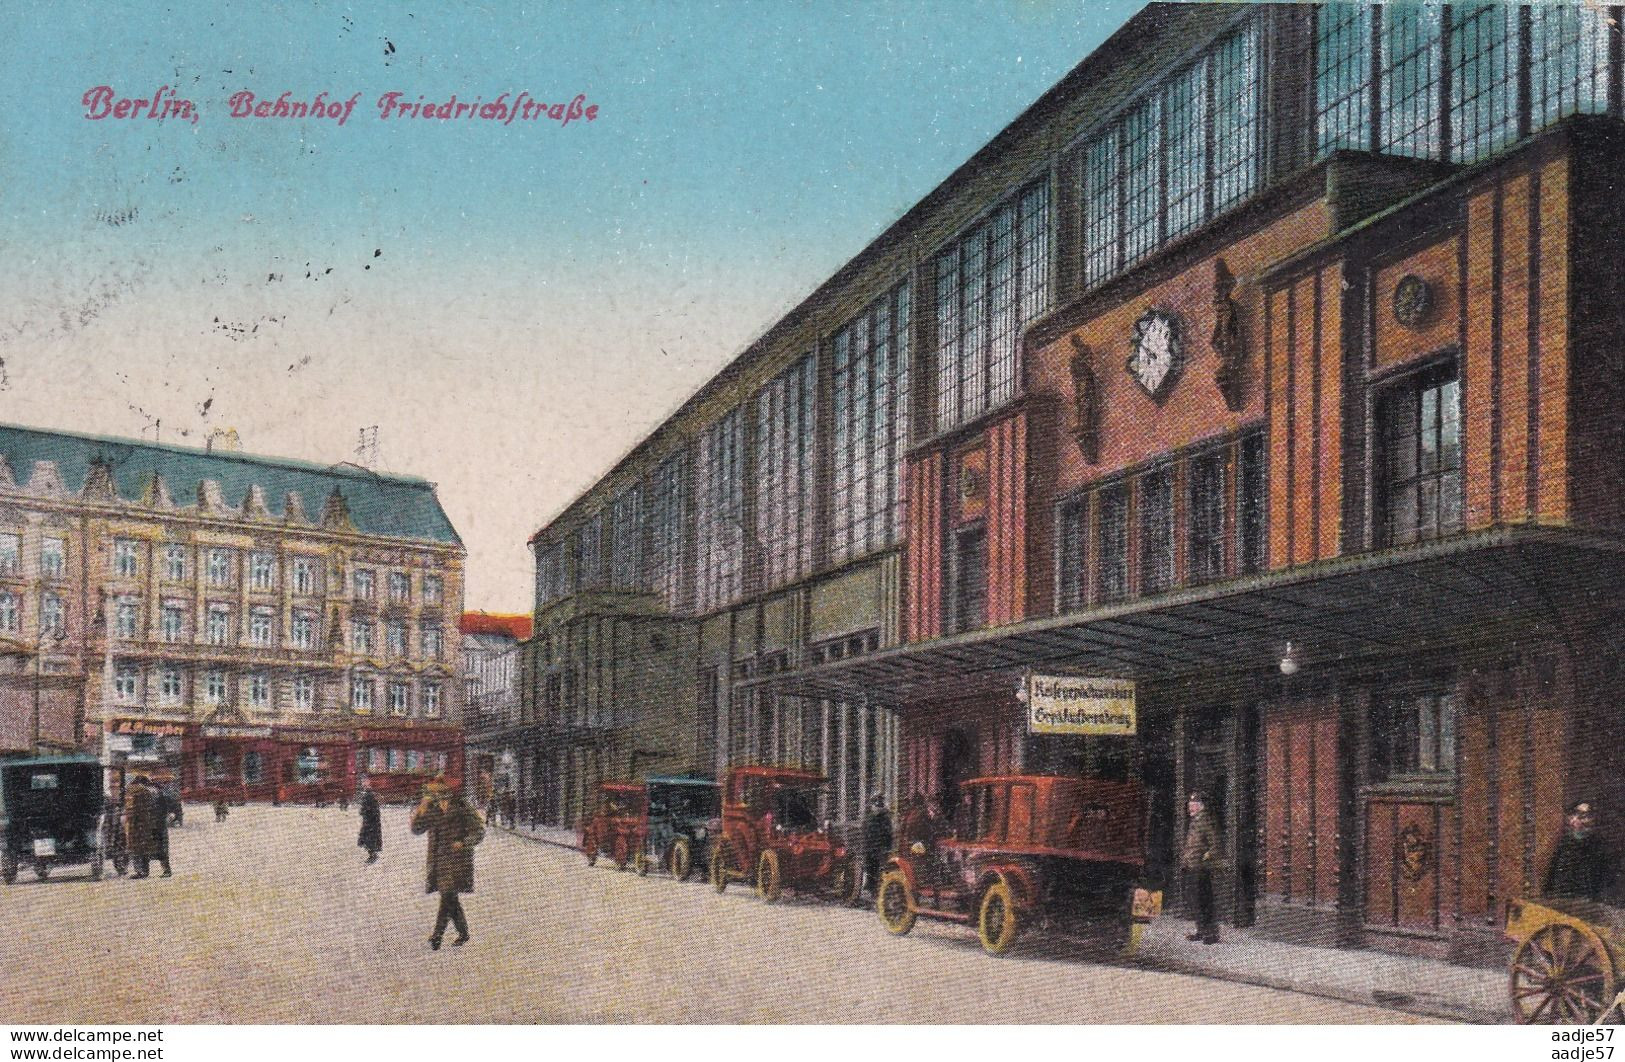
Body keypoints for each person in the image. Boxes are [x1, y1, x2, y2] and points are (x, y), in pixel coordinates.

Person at [410, 776, 484, 950]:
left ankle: (437, 935)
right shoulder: (432, 808)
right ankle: (463, 933)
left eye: (436, 789)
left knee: (447, 896)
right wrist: (421, 809)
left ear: (447, 789)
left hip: (457, 859)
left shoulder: (462, 806)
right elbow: (417, 830)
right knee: (450, 897)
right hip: (438, 859)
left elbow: (479, 831)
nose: (432, 793)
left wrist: (464, 842)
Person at [1544, 800, 1618, 901]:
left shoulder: (1601, 847)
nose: (1574, 821)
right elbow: (1553, 879)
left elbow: (1607, 884)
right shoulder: (1565, 843)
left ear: (1594, 820)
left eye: (1583, 816)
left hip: (1588, 905)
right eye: (1573, 815)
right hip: (1562, 902)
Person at [1181, 791, 1222, 944]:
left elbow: (1215, 845)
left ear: (1200, 806)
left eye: (1192, 805)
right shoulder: (1196, 820)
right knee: (1196, 900)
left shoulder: (1205, 821)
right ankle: (1201, 931)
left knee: (1205, 901)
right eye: (1189, 805)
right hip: (1192, 867)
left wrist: (1203, 858)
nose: (1189, 808)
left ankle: (1211, 933)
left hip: (1201, 869)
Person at [124, 776, 158, 879]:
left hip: (134, 824)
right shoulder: (148, 792)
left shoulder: (129, 791)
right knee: (145, 848)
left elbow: (128, 808)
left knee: (135, 848)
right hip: (146, 823)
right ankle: (145, 871)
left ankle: (139, 871)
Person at [862, 793, 893, 898]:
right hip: (874, 847)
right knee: (872, 869)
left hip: (876, 848)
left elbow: (888, 834)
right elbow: (888, 833)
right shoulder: (881, 817)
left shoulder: (876, 817)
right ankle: (873, 889)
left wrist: (887, 847)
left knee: (876, 869)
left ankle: (875, 890)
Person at [358, 779, 383, 864]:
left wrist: (363, 812)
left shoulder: (368, 795)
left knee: (368, 838)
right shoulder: (370, 795)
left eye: (364, 785)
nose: (363, 786)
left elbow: (367, 809)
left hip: (370, 822)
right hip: (372, 821)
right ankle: (372, 854)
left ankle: (372, 856)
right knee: (369, 838)